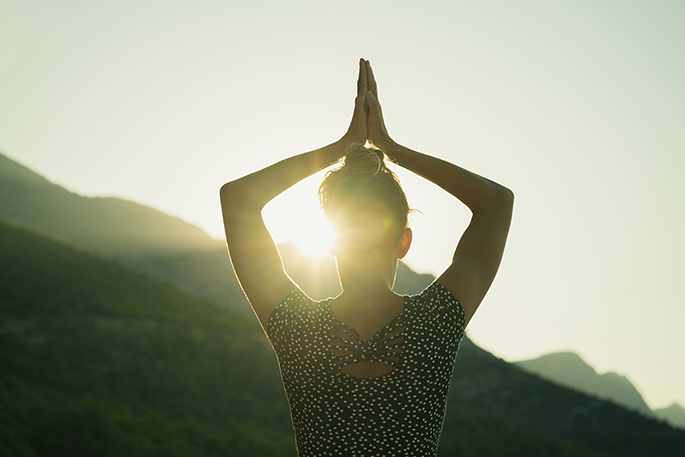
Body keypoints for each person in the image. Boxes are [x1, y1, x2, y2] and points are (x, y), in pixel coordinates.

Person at [220, 59, 513, 457]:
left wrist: (342, 148)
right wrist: (391, 149)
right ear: (403, 242)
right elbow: (497, 203)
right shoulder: (435, 323)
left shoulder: (299, 330)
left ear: (330, 241)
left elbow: (237, 199)